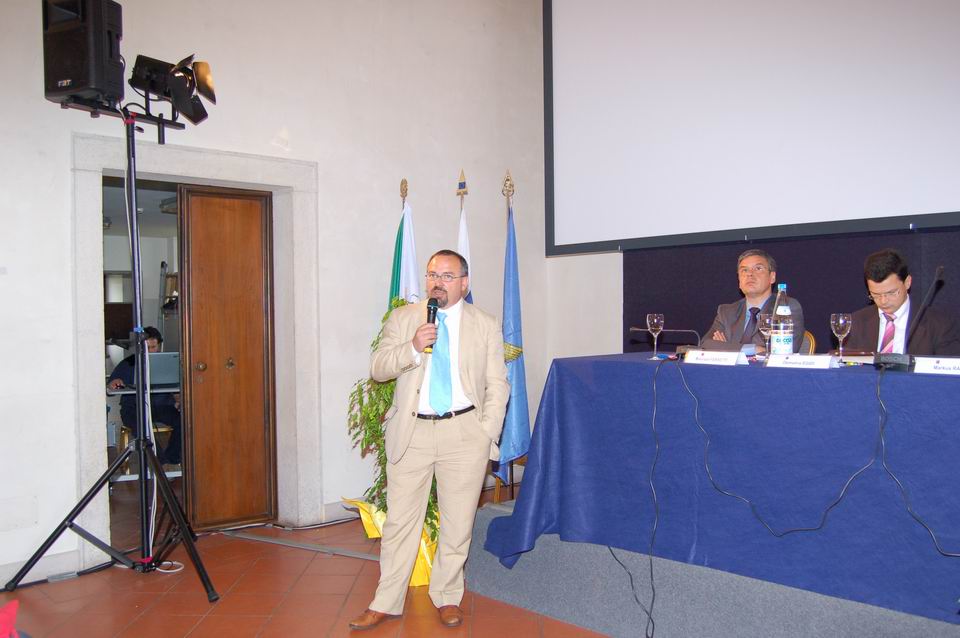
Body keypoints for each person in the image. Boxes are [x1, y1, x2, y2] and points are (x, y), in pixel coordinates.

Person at [349, 250, 510, 631]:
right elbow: (378, 368)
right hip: (413, 432)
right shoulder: (404, 318)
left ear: (464, 283)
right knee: (400, 523)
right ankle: (386, 601)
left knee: (458, 524)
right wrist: (412, 347)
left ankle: (447, 596)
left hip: (464, 432)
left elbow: (498, 384)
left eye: (447, 276)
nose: (437, 282)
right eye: (432, 274)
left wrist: (486, 431)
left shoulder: (485, 324)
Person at [844, 248, 960, 356]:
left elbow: (948, 370)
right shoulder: (856, 323)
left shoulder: (940, 326)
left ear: (907, 282)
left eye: (891, 293)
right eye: (875, 294)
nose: (883, 301)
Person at [702, 249, 805, 353]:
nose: (750, 274)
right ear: (739, 280)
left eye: (758, 268)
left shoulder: (785, 307)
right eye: (744, 270)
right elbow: (706, 344)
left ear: (772, 277)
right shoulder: (727, 312)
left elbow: (781, 350)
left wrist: (727, 347)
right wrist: (754, 349)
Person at [106, 326, 182, 465]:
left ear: (159, 345)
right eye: (147, 347)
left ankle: (172, 459)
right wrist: (114, 383)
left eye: (153, 347)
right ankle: (159, 464)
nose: (150, 351)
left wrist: (178, 398)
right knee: (142, 427)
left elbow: (176, 386)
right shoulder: (128, 363)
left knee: (184, 420)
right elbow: (110, 387)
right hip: (134, 408)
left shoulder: (167, 363)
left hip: (163, 406)